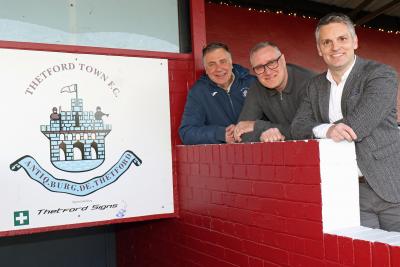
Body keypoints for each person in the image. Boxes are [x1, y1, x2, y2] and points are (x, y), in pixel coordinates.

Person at [291, 13, 400, 231]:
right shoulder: (314, 86)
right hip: (346, 192)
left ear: (355, 41)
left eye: (342, 39)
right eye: (327, 42)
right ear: (319, 50)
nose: (335, 47)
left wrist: (323, 128)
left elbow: (361, 122)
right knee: (365, 257)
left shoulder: (380, 74)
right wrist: (327, 129)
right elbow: (297, 127)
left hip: (390, 186)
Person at [233, 42, 315, 143]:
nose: (267, 72)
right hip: (284, 154)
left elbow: (309, 132)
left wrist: (259, 126)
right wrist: (264, 136)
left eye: (271, 63)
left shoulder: (310, 83)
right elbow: (241, 134)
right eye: (259, 67)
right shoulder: (257, 88)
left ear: (283, 60)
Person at [179, 42, 256, 144]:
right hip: (225, 156)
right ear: (206, 69)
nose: (219, 69)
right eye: (211, 64)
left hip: (260, 149)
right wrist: (220, 134)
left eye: (223, 61)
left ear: (231, 63)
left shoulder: (253, 83)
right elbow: (187, 133)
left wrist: (253, 126)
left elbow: (274, 119)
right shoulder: (199, 92)